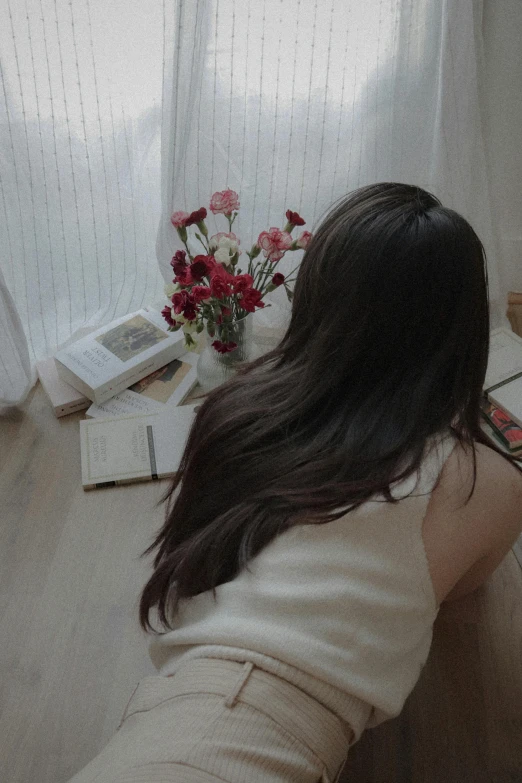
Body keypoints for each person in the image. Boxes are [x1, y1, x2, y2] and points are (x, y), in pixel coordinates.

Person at [68, 183, 522, 783]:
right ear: (462, 333)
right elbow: (465, 588)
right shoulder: (480, 483)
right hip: (242, 741)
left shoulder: (239, 408)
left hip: (171, 716)